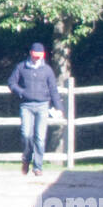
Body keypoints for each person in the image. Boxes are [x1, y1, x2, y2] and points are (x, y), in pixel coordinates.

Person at [6, 42, 62, 178]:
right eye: (35, 56)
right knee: (26, 135)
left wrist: (58, 107)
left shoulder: (47, 70)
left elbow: (53, 89)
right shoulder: (21, 67)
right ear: (31, 53)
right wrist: (21, 92)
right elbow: (11, 82)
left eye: (39, 56)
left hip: (43, 106)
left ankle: (38, 167)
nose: (37, 58)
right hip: (26, 106)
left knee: (40, 137)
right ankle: (26, 159)